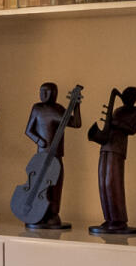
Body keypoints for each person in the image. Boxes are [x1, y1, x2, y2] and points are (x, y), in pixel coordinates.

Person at [9, 82, 82, 230]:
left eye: (48, 92)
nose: (44, 95)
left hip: (56, 155)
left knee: (55, 187)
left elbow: (76, 123)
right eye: (42, 91)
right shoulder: (37, 108)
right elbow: (29, 130)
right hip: (40, 155)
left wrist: (76, 106)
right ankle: (37, 213)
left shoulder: (59, 109)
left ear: (55, 94)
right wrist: (39, 140)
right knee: (37, 184)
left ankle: (52, 214)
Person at [86, 86, 136, 236]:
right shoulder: (119, 110)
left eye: (129, 94)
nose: (125, 96)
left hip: (118, 148)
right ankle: (109, 218)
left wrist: (115, 123)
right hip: (106, 146)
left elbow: (132, 129)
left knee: (113, 182)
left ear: (135, 98)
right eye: (125, 94)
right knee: (102, 182)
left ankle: (119, 220)